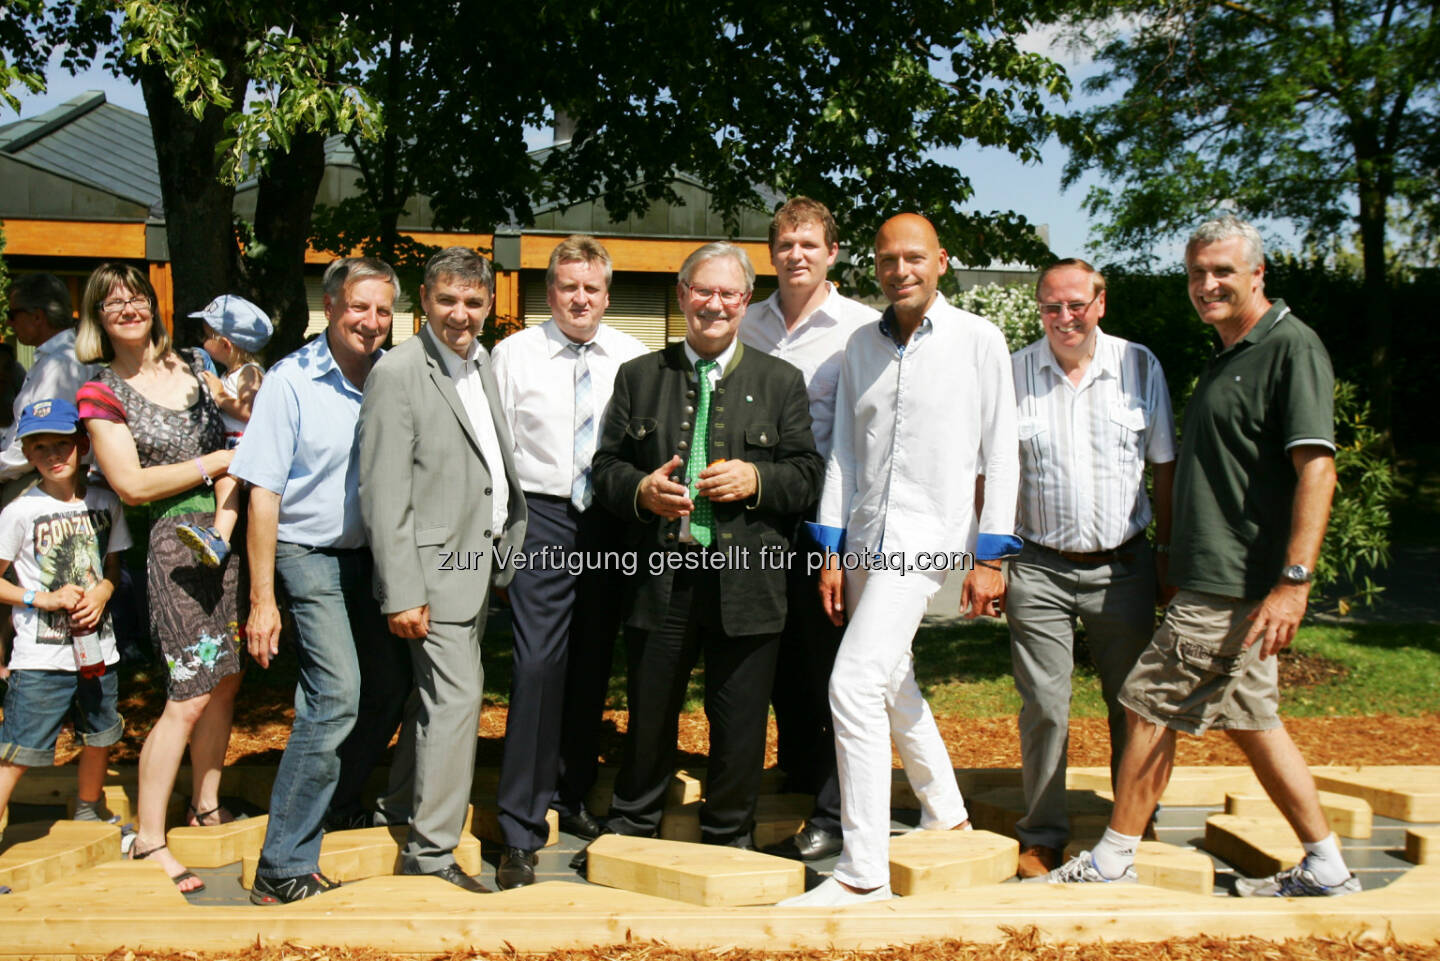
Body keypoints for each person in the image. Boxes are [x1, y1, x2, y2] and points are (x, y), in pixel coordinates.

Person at [1042, 216, 1357, 897]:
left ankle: (1114, 855)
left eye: (1221, 271)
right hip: (1215, 577)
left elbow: (1317, 470)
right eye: (1196, 273)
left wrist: (1294, 581)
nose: (1207, 284)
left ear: (1257, 275)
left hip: (1234, 581)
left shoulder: (1290, 348)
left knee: (1148, 705)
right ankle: (1326, 864)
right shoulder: (1230, 352)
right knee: (1254, 722)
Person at [781, 213, 1021, 907]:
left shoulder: (980, 340)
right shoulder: (860, 344)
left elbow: (1000, 451)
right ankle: (945, 809)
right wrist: (829, 546)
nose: (900, 270)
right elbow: (846, 453)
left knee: (852, 683)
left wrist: (992, 553)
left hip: (927, 540)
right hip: (860, 538)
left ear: (940, 261)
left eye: (913, 257)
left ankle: (862, 870)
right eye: (887, 260)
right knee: (892, 680)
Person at [587, 241, 823, 855]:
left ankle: (728, 836)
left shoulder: (781, 382)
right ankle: (632, 828)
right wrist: (641, 489)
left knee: (740, 721)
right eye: (702, 291)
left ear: (746, 302)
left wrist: (758, 480)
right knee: (649, 714)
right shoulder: (640, 376)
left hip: (748, 580)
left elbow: (807, 475)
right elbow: (604, 468)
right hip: (661, 576)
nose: (713, 304)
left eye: (728, 293)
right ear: (682, 295)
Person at [233, 257, 413, 905]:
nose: (371, 321)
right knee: (336, 693)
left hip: (372, 558)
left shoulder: (394, 375)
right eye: (359, 307)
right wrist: (260, 600)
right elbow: (263, 493)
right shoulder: (291, 381)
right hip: (306, 553)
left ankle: (333, 802)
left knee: (389, 687)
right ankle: (283, 860)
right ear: (331, 306)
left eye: (384, 310)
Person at [357, 247, 526, 892]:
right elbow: (383, 489)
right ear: (424, 301)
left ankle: (401, 812)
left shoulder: (479, 362)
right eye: (448, 299)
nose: (461, 313)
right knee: (456, 704)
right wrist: (402, 591)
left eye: (474, 302)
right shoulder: (399, 371)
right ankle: (429, 855)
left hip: (477, 563)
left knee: (431, 705)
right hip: (430, 574)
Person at [74, 263, 245, 893]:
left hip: (222, 535)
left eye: (136, 296)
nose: (127, 307)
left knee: (224, 681)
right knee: (188, 693)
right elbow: (132, 485)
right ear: (97, 317)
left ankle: (206, 807)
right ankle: (149, 840)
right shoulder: (99, 389)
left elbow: (245, 429)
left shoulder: (198, 365)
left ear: (153, 305)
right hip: (172, 545)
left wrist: (226, 518)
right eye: (111, 301)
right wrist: (217, 460)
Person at [1005, 259, 1176, 877]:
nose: (1065, 317)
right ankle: (1043, 832)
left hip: (1124, 565)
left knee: (1132, 701)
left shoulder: (1139, 365)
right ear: (1040, 310)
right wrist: (989, 557)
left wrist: (1165, 554)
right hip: (1038, 565)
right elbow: (994, 473)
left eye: (1077, 304)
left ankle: (1134, 825)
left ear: (1100, 303)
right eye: (1052, 307)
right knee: (1045, 704)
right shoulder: (1015, 371)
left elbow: (1163, 465)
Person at [489, 236, 646, 888]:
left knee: (589, 663)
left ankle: (570, 794)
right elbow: (494, 451)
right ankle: (518, 828)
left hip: (611, 517)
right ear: (548, 292)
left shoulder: (634, 359)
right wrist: (498, 537)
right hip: (543, 515)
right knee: (536, 664)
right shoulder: (513, 355)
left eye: (591, 287)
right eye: (567, 286)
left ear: (607, 295)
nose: (579, 298)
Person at [739, 197, 877, 861]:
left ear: (832, 252)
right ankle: (797, 768)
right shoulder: (747, 320)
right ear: (772, 252)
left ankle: (834, 804)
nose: (797, 254)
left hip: (830, 515)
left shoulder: (862, 328)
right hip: (755, 513)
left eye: (810, 244)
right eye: (786, 243)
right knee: (777, 655)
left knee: (830, 660)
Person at [0, 399, 131, 848]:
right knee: (16, 752)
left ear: (81, 445)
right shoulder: (18, 512)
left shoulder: (104, 501)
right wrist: (42, 597)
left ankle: (88, 810)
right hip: (40, 657)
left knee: (100, 734)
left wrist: (103, 593)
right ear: (28, 454)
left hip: (99, 651)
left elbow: (111, 570)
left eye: (62, 444)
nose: (54, 456)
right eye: (40, 448)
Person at [176, 294, 273, 568]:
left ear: (226, 344)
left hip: (244, 448)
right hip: (232, 448)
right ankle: (218, 537)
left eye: (207, 335)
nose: (203, 342)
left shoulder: (249, 372)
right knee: (223, 483)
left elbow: (250, 411)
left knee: (226, 482)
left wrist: (219, 396)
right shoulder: (233, 373)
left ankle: (218, 538)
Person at [2, 274, 98, 497]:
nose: (9, 322)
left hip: (44, 482)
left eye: (13, 314)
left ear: (37, 316)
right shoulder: (57, 358)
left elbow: (42, 438)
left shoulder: (61, 364)